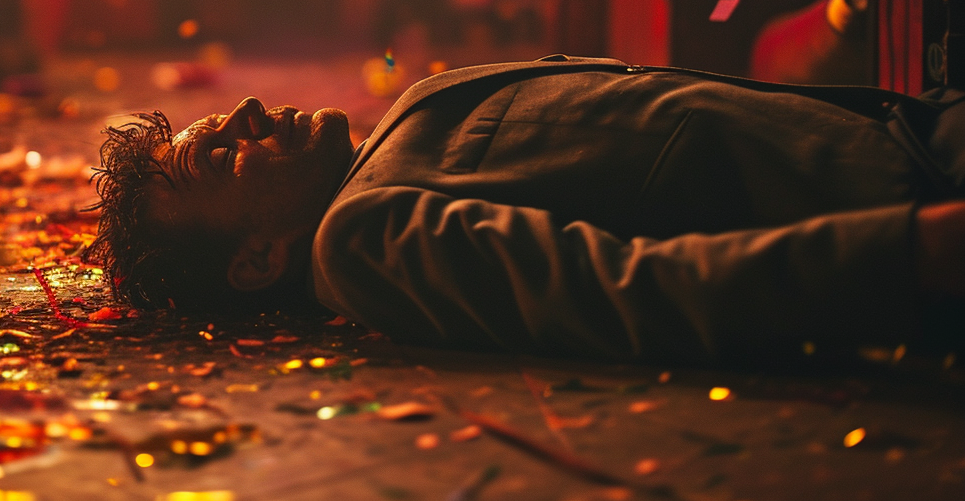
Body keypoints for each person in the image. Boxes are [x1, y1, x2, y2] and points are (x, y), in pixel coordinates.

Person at [85, 55, 965, 363]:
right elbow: (640, 295)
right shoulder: (362, 240)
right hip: (911, 197)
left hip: (913, 134)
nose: (243, 115)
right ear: (256, 262)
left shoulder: (371, 160)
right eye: (217, 155)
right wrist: (910, 254)